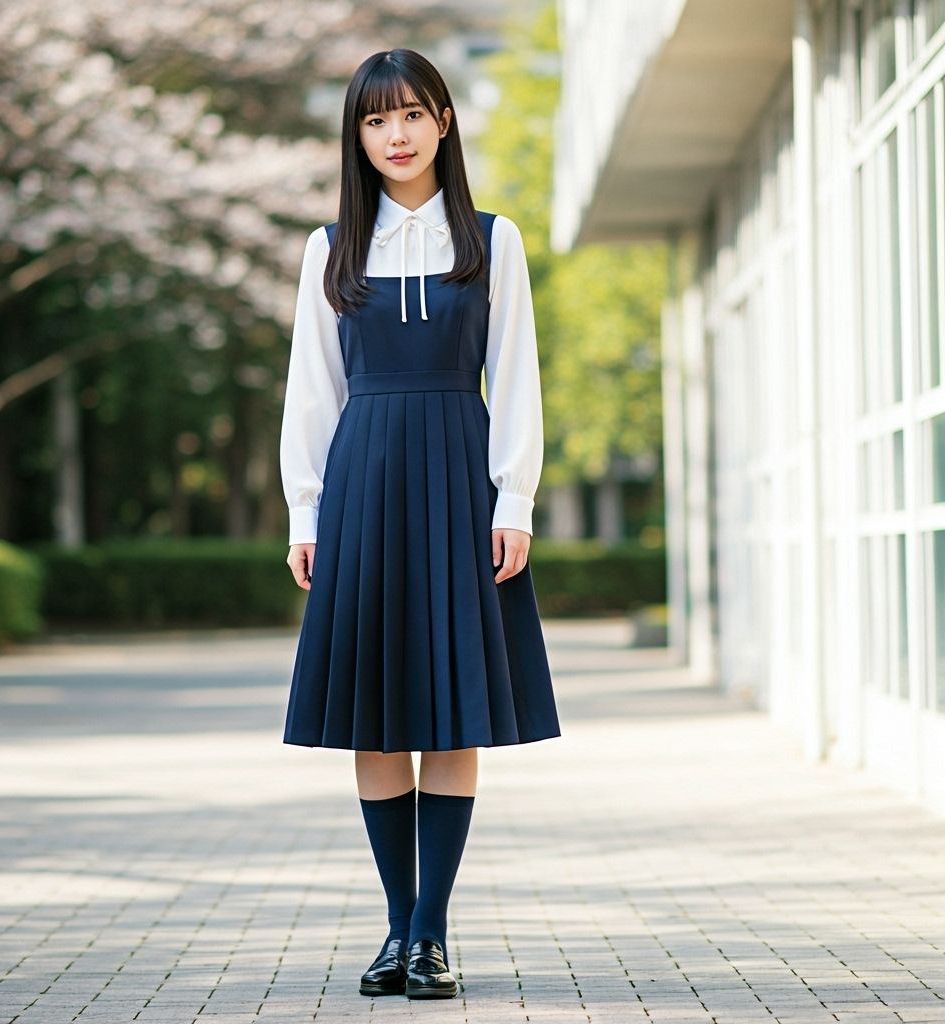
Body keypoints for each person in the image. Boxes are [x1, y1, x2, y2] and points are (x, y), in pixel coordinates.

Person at [279, 47, 561, 1000]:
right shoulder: (330, 249)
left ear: (444, 121)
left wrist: (514, 499)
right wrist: (305, 512)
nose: (394, 135)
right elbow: (312, 389)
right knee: (375, 712)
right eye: (374, 119)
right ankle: (397, 928)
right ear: (356, 136)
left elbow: (515, 377)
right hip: (362, 479)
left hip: (458, 475)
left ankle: (431, 935)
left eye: (410, 115)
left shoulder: (491, 240)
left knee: (449, 707)